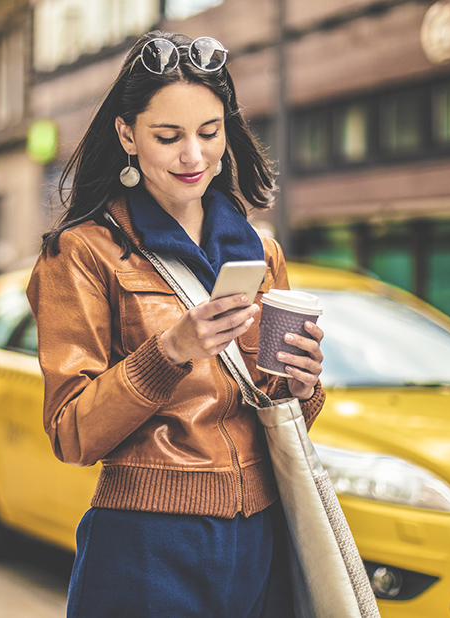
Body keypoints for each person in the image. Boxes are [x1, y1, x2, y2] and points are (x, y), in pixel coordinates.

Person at [26, 31, 326, 617]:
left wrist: (301, 386)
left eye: (209, 133)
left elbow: (277, 415)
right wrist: (171, 351)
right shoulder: (82, 253)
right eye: (169, 137)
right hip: (146, 548)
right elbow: (71, 432)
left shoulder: (260, 253)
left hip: (260, 538)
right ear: (127, 135)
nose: (194, 156)